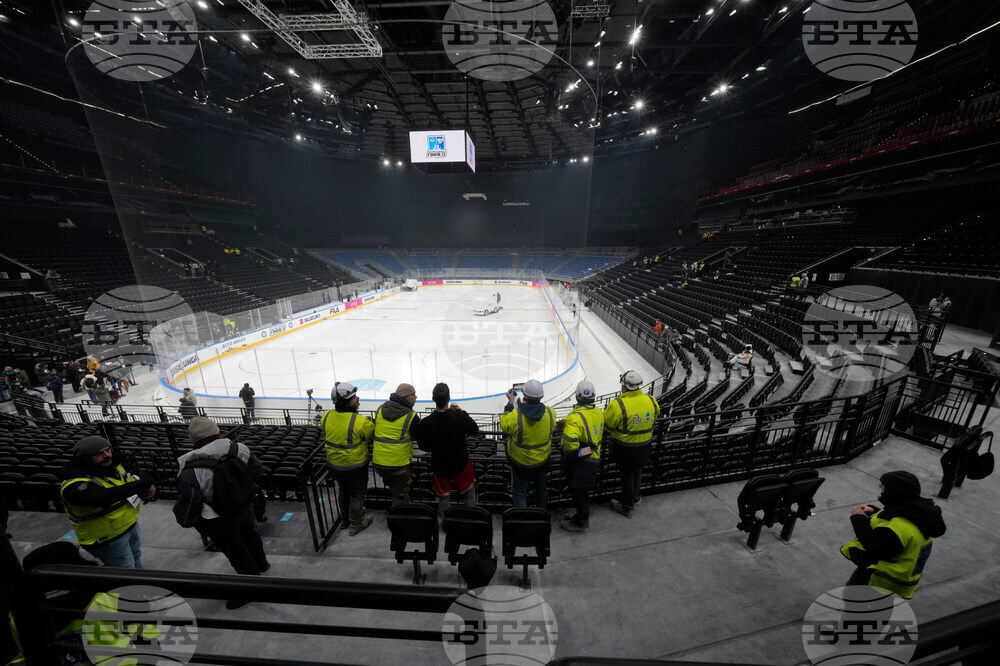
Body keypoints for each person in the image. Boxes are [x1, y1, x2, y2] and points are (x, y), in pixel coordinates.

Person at [174, 418, 269, 609]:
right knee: (251, 535)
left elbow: (189, 506)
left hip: (218, 519)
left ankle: (252, 587)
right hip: (244, 506)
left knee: (236, 552)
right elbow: (258, 472)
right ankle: (261, 564)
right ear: (216, 430)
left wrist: (185, 519)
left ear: (193, 439)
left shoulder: (190, 468)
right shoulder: (239, 448)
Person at [841, 471, 946, 599]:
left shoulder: (896, 529)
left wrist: (859, 519)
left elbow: (874, 546)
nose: (880, 486)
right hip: (894, 580)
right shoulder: (920, 513)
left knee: (860, 610)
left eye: (884, 485)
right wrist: (875, 511)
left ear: (893, 492)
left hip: (879, 581)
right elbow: (900, 518)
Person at [59, 436, 155, 568]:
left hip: (129, 525)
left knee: (136, 558)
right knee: (125, 571)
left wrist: (146, 483)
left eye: (108, 450)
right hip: (107, 538)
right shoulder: (73, 485)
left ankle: (142, 584)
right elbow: (104, 497)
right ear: (84, 458)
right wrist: (143, 484)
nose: (107, 455)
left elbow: (133, 470)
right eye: (99, 453)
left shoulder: (111, 465)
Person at [604, 371, 660, 518]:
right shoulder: (651, 400)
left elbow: (608, 425)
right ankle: (636, 496)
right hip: (645, 446)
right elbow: (656, 415)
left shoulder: (617, 404)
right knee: (637, 470)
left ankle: (627, 506)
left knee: (627, 474)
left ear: (624, 386)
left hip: (625, 448)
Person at [417, 382, 479, 515]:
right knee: (469, 494)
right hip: (460, 464)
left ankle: (446, 522)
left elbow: (423, 446)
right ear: (449, 397)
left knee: (443, 498)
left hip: (440, 466)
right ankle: (472, 520)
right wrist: (462, 412)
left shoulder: (426, 422)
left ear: (433, 398)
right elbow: (475, 429)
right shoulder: (459, 418)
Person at [321, 382, 375, 536]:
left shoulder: (326, 416)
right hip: (355, 466)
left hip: (334, 465)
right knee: (357, 495)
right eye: (353, 398)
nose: (357, 399)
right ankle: (356, 523)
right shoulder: (359, 421)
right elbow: (370, 433)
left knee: (343, 491)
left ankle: (345, 520)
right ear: (346, 402)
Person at [500, 379, 555, 509]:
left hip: (521, 464)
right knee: (541, 490)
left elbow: (504, 425)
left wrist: (510, 403)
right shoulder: (550, 413)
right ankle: (542, 518)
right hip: (541, 462)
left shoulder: (515, 416)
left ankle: (523, 523)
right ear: (541, 396)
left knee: (519, 494)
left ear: (524, 395)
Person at [559, 381, 604, 533]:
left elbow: (569, 444)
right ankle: (580, 516)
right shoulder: (598, 412)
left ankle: (581, 522)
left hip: (583, 463)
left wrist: (581, 452)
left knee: (579, 492)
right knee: (582, 492)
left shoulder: (576, 418)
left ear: (578, 397)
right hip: (594, 457)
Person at [373, 383, 421, 506]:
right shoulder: (411, 416)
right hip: (398, 465)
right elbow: (418, 437)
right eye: (413, 394)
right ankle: (399, 520)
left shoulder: (379, 409)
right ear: (407, 397)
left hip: (379, 463)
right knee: (400, 497)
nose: (416, 397)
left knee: (397, 491)